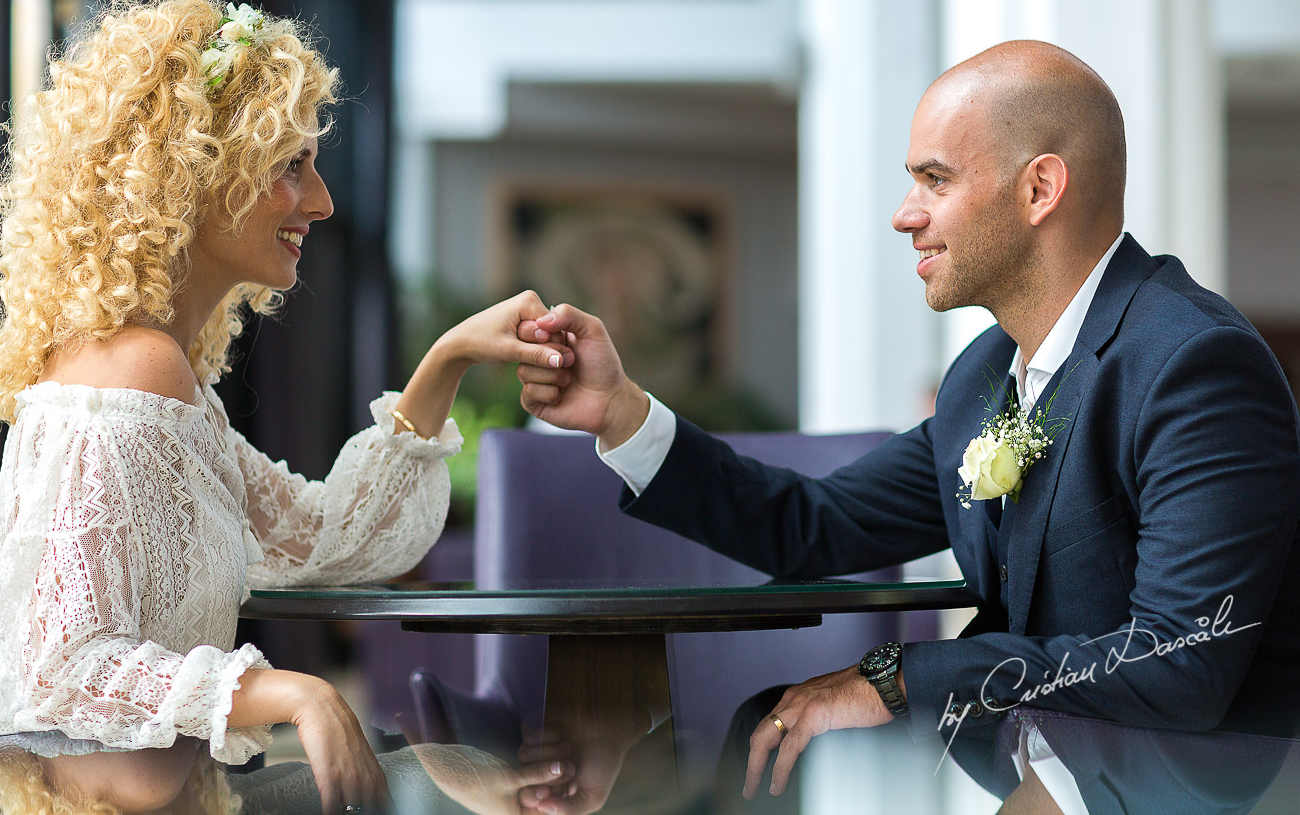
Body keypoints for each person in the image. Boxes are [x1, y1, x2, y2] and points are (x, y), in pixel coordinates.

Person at [513, 40, 1300, 810]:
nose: (903, 215)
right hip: (1011, 766)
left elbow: (1179, 666)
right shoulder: (982, 379)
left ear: (1040, 191)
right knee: (762, 734)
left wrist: (895, 680)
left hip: (1174, 789)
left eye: (935, 179)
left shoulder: (1197, 367)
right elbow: (809, 526)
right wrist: (621, 414)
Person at [0, 0, 574, 814]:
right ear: (197, 172)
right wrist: (292, 695)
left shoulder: (158, 375)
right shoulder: (135, 371)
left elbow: (326, 539)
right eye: (289, 164)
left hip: (158, 797)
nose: (320, 201)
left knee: (458, 766)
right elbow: (61, 667)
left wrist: (447, 358)